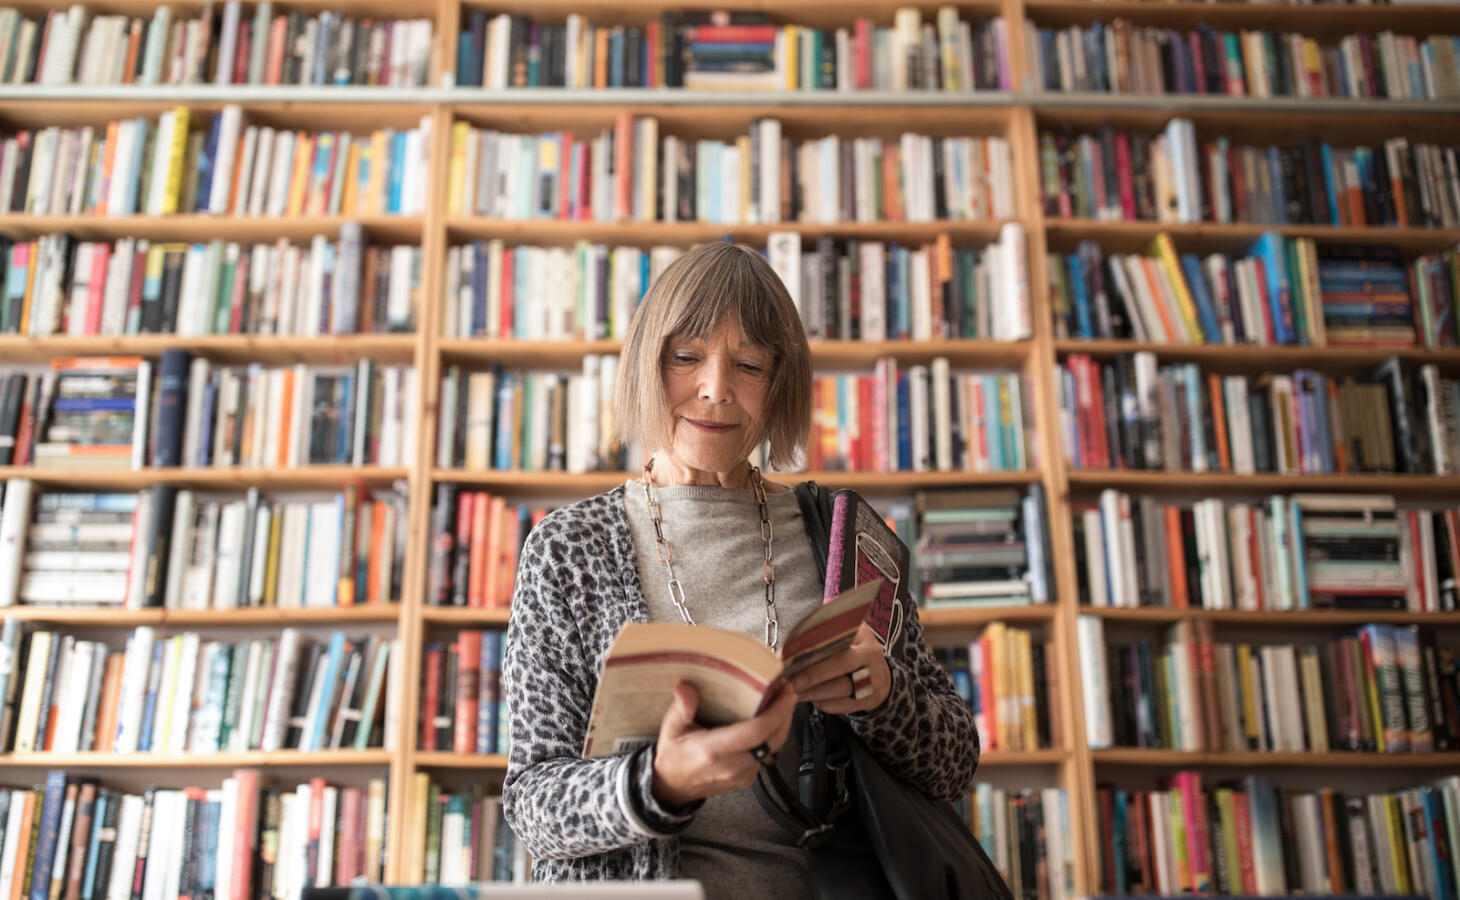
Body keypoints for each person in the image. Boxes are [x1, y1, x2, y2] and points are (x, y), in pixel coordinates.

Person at [501, 241, 980, 895]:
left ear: (778, 381)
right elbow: (531, 804)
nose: (715, 388)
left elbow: (955, 763)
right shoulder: (568, 549)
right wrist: (658, 783)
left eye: (748, 363)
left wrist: (883, 696)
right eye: (686, 357)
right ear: (648, 361)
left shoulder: (839, 535)